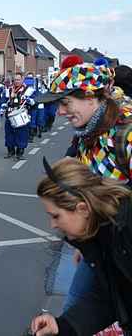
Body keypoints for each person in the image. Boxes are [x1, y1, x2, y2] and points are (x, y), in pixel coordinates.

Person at [36, 55, 132, 331]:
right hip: (105, 246)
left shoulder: (127, 134)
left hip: (123, 248)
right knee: (78, 306)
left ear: (91, 98)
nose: (61, 112)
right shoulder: (87, 133)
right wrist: (89, 240)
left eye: (66, 103)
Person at [30, 157, 132, 336]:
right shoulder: (104, 233)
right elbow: (109, 298)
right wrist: (62, 326)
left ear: (83, 209)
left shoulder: (124, 233)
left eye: (56, 216)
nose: (52, 225)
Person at [2, 72, 35, 161]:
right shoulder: (9, 90)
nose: (16, 81)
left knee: (21, 134)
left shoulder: (28, 90)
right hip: (10, 114)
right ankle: (10, 151)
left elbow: (34, 102)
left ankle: (20, 153)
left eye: (18, 79)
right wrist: (3, 106)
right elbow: (4, 101)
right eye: (15, 80)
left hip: (21, 115)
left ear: (22, 79)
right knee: (9, 134)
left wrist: (29, 100)